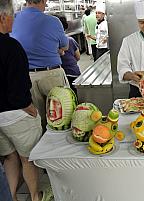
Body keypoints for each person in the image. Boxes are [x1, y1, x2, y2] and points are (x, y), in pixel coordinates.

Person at [0, 1, 53, 200]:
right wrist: (27, 105)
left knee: (9, 156)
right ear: (3, 18)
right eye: (12, 15)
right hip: (15, 114)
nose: (14, 20)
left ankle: (11, 196)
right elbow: (18, 86)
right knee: (28, 158)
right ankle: (34, 196)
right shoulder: (11, 46)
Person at [11, 0, 69, 131]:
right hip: (52, 74)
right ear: (43, 1)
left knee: (39, 120)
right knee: (63, 116)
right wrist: (55, 49)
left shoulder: (13, 19)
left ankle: (44, 147)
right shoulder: (53, 21)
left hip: (27, 77)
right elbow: (65, 46)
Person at [55, 14, 81, 95]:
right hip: (73, 72)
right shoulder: (70, 40)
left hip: (59, 76)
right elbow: (78, 57)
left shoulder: (51, 43)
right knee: (76, 96)